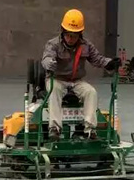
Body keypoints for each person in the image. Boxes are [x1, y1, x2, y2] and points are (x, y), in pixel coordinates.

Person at [41, 9, 121, 141]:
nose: (70, 39)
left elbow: (98, 59)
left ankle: (89, 130)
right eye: (68, 35)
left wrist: (110, 63)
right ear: (62, 31)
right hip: (57, 79)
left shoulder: (86, 46)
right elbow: (46, 58)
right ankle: (54, 129)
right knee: (53, 90)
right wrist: (49, 63)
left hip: (76, 81)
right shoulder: (53, 44)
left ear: (80, 34)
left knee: (91, 92)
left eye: (74, 35)